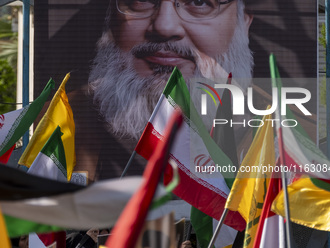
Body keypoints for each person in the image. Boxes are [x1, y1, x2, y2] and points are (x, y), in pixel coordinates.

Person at [80, 0, 254, 180]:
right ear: (110, 21)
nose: (164, 27)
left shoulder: (280, 141)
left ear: (243, 25)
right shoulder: (56, 125)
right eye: (141, 1)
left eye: (199, 2)